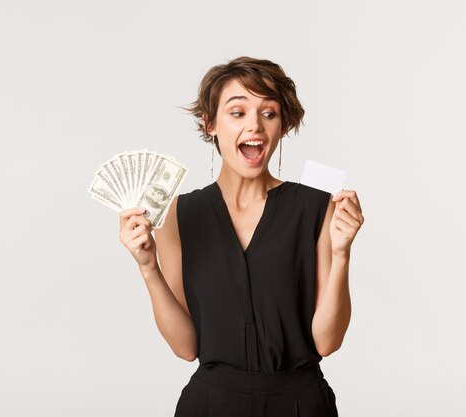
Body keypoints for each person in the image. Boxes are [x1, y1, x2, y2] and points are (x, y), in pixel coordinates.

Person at [118, 56, 364, 417]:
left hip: (299, 404)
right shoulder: (179, 215)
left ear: (282, 126)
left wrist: (342, 253)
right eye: (238, 113)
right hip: (211, 405)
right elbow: (186, 348)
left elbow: (327, 342)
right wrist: (147, 267)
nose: (256, 126)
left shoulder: (315, 207)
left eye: (269, 113)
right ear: (210, 123)